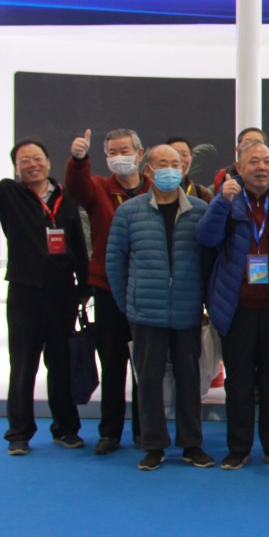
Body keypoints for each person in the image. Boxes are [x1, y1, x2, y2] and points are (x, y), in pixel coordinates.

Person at [0, 133, 89, 455]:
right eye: (24, 162)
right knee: (22, 365)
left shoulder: (66, 198)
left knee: (61, 365)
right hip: (25, 293)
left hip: (62, 294)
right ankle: (19, 433)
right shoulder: (9, 194)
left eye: (37, 159)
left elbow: (77, 244)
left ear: (48, 162)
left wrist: (85, 286)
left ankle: (66, 429)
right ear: (17, 169)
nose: (32, 165)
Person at [105, 144, 212, 470]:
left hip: (187, 311)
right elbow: (115, 263)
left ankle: (191, 444)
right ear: (148, 171)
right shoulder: (129, 212)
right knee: (148, 381)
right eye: (162, 164)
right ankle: (153, 445)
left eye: (175, 164)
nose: (170, 170)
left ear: (183, 169)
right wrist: (129, 304)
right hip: (145, 313)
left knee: (189, 380)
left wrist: (204, 303)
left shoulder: (199, 210)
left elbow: (209, 262)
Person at [197, 142, 269, 470]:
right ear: (239, 168)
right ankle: (238, 448)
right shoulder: (226, 199)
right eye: (253, 161)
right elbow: (206, 239)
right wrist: (220, 202)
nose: (261, 167)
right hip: (236, 305)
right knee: (239, 381)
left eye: (267, 161)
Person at [64, 127, 151, 456]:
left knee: (144, 364)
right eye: (112, 153)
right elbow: (76, 189)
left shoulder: (156, 189)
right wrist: (78, 159)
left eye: (124, 151)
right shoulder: (99, 187)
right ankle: (110, 432)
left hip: (146, 288)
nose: (119, 157)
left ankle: (145, 430)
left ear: (139, 154)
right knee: (113, 362)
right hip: (108, 287)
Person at [214, 127, 267, 193]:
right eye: (247, 143)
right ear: (237, 149)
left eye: (257, 143)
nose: (252, 148)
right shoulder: (222, 175)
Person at [167, 137, 215, 202]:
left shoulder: (201, 193)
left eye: (184, 154)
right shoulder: (153, 190)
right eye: (174, 153)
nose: (180, 159)